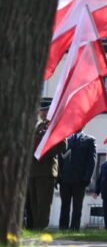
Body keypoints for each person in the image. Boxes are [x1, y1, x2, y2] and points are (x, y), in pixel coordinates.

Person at [27, 98, 65, 229]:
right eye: (41, 110)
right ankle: (35, 228)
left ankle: (40, 228)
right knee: (34, 202)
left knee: (43, 202)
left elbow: (62, 145)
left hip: (46, 169)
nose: (42, 113)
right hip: (32, 170)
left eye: (45, 110)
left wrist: (43, 152)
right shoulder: (38, 126)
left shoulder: (54, 125)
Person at [58, 130, 96, 230]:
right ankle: (63, 227)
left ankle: (74, 228)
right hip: (65, 179)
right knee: (64, 205)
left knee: (77, 206)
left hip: (80, 179)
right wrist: (59, 177)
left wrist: (87, 178)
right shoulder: (67, 139)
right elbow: (60, 159)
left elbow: (91, 161)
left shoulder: (89, 140)